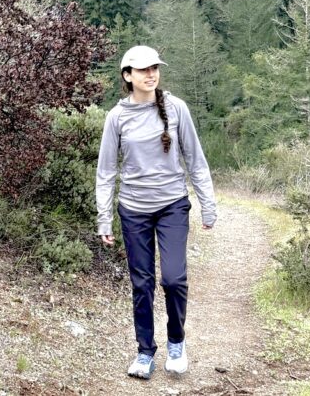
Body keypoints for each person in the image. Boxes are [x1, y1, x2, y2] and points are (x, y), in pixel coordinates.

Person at [95, 45, 217, 380]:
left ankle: (176, 342)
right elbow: (106, 171)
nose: (151, 74)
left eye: (155, 68)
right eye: (143, 69)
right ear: (127, 75)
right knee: (142, 284)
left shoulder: (177, 109)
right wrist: (104, 217)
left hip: (172, 205)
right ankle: (145, 351)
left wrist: (208, 205)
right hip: (133, 210)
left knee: (173, 278)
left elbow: (195, 160)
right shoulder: (116, 117)